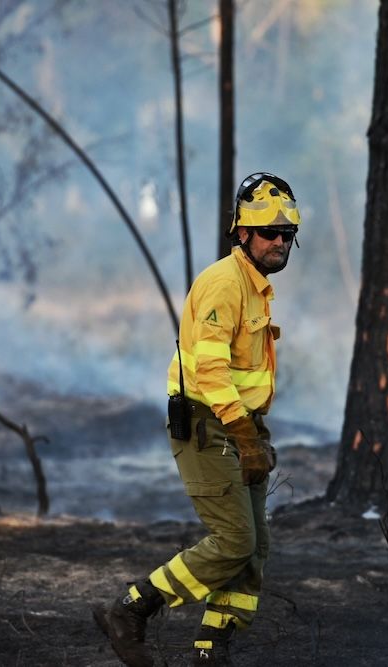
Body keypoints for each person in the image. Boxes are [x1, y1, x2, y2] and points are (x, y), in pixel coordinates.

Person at [92, 172, 301, 666]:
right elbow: (208, 370)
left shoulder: (256, 289)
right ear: (242, 233)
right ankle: (132, 608)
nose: (279, 241)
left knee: (254, 548)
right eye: (268, 231)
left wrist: (254, 431)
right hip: (209, 425)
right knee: (234, 540)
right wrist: (245, 434)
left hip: (240, 425)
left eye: (287, 233)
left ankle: (212, 648)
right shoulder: (223, 285)